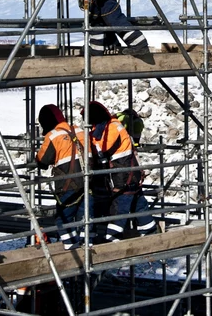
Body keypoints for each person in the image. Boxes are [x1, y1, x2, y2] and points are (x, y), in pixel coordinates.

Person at [85, 101, 156, 242]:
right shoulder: (109, 125)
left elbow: (101, 147)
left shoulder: (112, 127)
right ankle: (151, 233)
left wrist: (87, 141)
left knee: (120, 207)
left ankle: (112, 240)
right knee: (138, 204)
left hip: (124, 175)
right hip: (129, 172)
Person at [35, 104, 92, 250]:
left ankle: (71, 249)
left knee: (64, 218)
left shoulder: (53, 136)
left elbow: (42, 160)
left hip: (68, 185)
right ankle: (88, 249)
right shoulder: (80, 130)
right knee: (84, 217)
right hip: (88, 182)